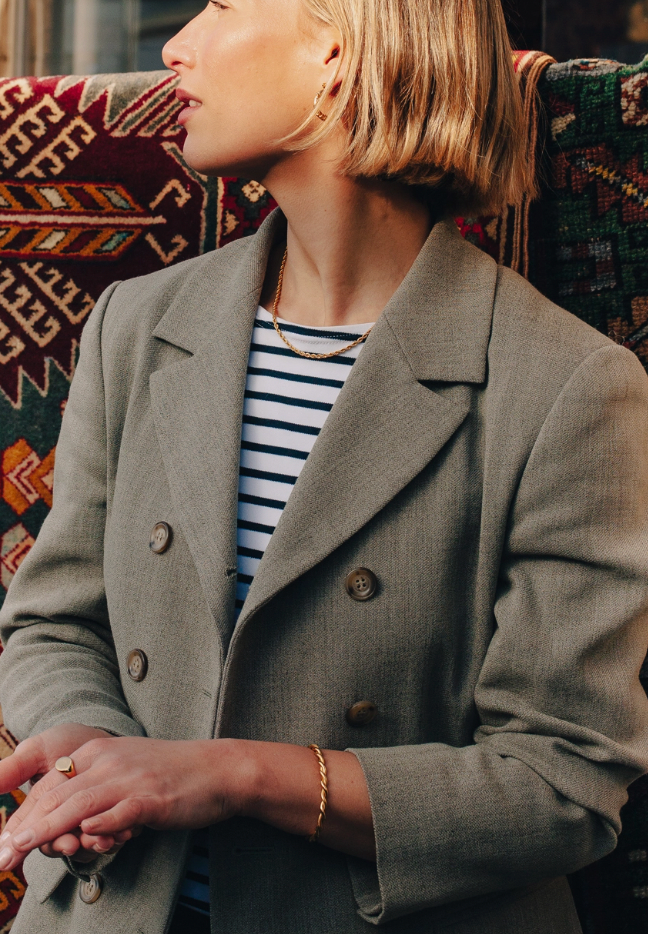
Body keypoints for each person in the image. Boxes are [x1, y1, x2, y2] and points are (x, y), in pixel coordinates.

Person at [0, 0, 647, 931]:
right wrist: (86, 752)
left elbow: (561, 787)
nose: (175, 47)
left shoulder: (573, 387)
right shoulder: (134, 326)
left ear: (338, 53)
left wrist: (227, 775)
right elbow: (54, 620)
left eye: (221, 5)